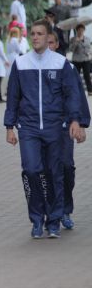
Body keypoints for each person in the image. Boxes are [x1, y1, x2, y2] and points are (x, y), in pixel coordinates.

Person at [4, 19, 82, 239]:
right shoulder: (20, 64)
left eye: (39, 34)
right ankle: (37, 219)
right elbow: (12, 98)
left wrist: (75, 120)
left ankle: (54, 220)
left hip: (55, 127)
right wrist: (9, 126)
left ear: (49, 38)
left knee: (55, 174)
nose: (35, 37)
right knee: (31, 171)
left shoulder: (60, 63)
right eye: (33, 34)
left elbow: (71, 94)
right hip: (28, 128)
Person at [47, 32, 90, 230]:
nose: (47, 46)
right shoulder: (30, 67)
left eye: (50, 42)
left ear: (56, 45)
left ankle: (65, 208)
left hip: (64, 126)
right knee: (45, 171)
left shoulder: (67, 67)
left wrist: (81, 122)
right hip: (41, 128)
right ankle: (50, 213)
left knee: (66, 168)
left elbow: (77, 95)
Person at [69, 23, 92, 95]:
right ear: (76, 30)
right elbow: (71, 49)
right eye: (79, 30)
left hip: (85, 59)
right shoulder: (73, 39)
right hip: (76, 60)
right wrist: (76, 42)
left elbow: (88, 48)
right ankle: (76, 90)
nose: (80, 31)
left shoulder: (87, 39)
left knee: (87, 75)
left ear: (84, 30)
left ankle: (90, 90)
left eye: (82, 30)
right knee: (76, 75)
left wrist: (88, 52)